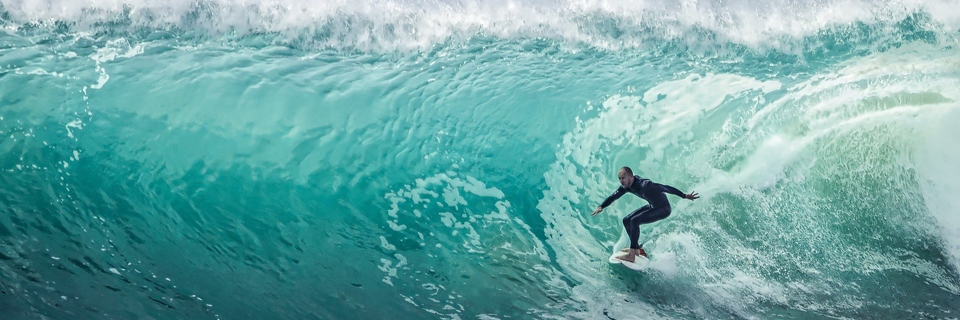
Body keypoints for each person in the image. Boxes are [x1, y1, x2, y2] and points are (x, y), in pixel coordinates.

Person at [591, 166, 699, 262]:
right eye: (619, 179)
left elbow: (665, 188)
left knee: (634, 221)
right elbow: (614, 196)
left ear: (631, 177)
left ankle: (632, 254)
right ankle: (637, 249)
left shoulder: (645, 185)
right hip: (653, 206)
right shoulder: (627, 186)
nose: (621, 181)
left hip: (663, 209)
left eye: (623, 178)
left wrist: (684, 195)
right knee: (626, 220)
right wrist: (601, 206)